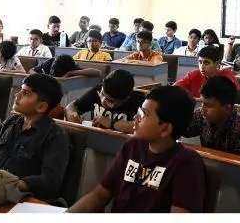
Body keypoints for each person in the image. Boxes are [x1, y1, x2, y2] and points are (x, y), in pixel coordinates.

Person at [69, 86, 206, 213]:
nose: (136, 117)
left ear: (165, 129)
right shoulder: (133, 146)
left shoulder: (187, 163)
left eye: (144, 114)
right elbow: (99, 195)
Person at [0, 74, 70, 201]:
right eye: (20, 90)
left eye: (26, 93)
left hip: (21, 197)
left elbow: (50, 181)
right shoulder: (11, 122)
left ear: (42, 107)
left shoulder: (55, 135)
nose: (17, 95)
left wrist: (9, 185)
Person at [183, 75, 240, 158]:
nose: (202, 110)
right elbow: (182, 130)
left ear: (227, 108)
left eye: (208, 105)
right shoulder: (201, 115)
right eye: (202, 103)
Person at [65, 69, 145, 134]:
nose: (103, 101)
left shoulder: (138, 101)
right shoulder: (98, 90)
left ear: (125, 99)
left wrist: (111, 123)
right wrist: (72, 114)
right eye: (102, 94)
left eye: (110, 101)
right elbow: (71, 106)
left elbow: (144, 127)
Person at [174, 45, 239, 97]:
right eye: (200, 62)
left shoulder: (226, 75)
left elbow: (235, 98)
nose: (202, 66)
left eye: (206, 63)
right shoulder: (194, 74)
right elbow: (173, 89)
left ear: (217, 64)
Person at [31, 54, 101, 79]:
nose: (52, 72)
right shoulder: (50, 62)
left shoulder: (70, 67)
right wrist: (43, 77)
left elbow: (97, 72)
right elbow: (31, 70)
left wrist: (71, 73)